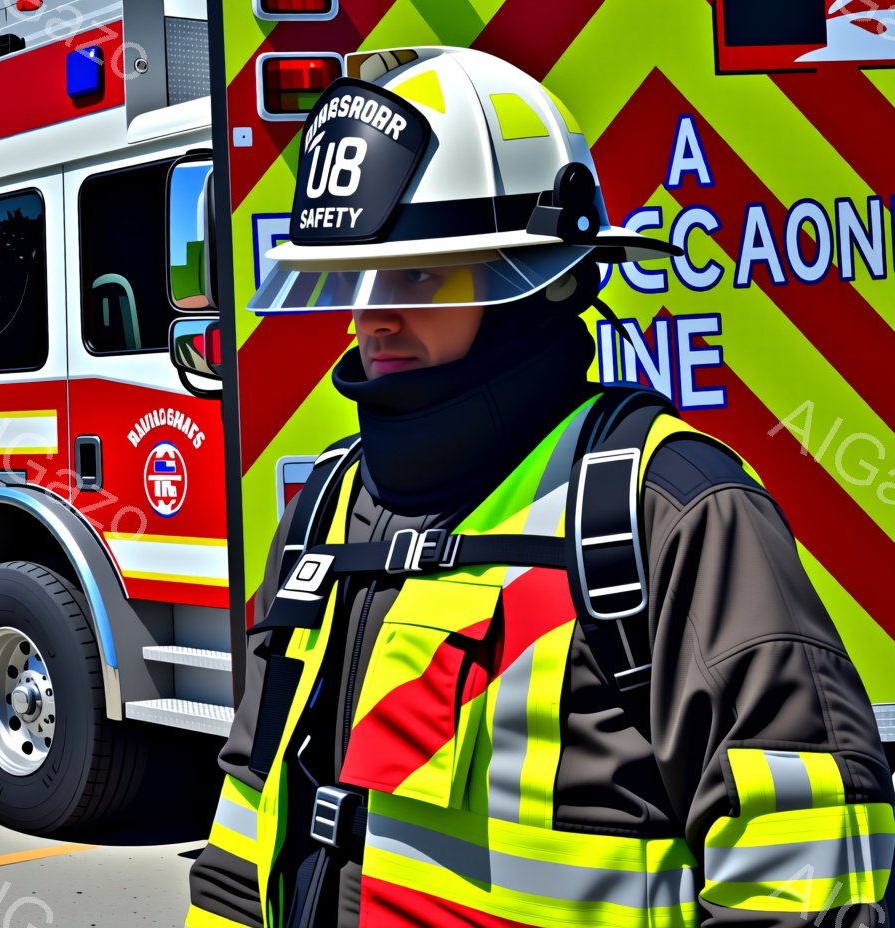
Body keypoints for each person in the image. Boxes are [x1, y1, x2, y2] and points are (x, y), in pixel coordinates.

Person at [186, 46, 894, 928]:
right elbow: (244, 832)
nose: (375, 313)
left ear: (537, 283)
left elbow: (803, 878)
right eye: (362, 276)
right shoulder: (324, 512)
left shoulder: (674, 512)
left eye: (419, 272)